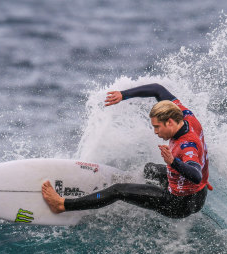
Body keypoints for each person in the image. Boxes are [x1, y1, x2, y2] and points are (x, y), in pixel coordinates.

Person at [42, 83, 211, 218]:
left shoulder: (187, 146)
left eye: (157, 127)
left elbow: (195, 176)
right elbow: (157, 89)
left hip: (179, 204)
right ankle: (134, 186)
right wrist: (123, 95)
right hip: (198, 195)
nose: (155, 132)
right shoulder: (185, 115)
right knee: (150, 169)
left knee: (118, 190)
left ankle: (62, 205)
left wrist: (173, 162)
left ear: (169, 122)